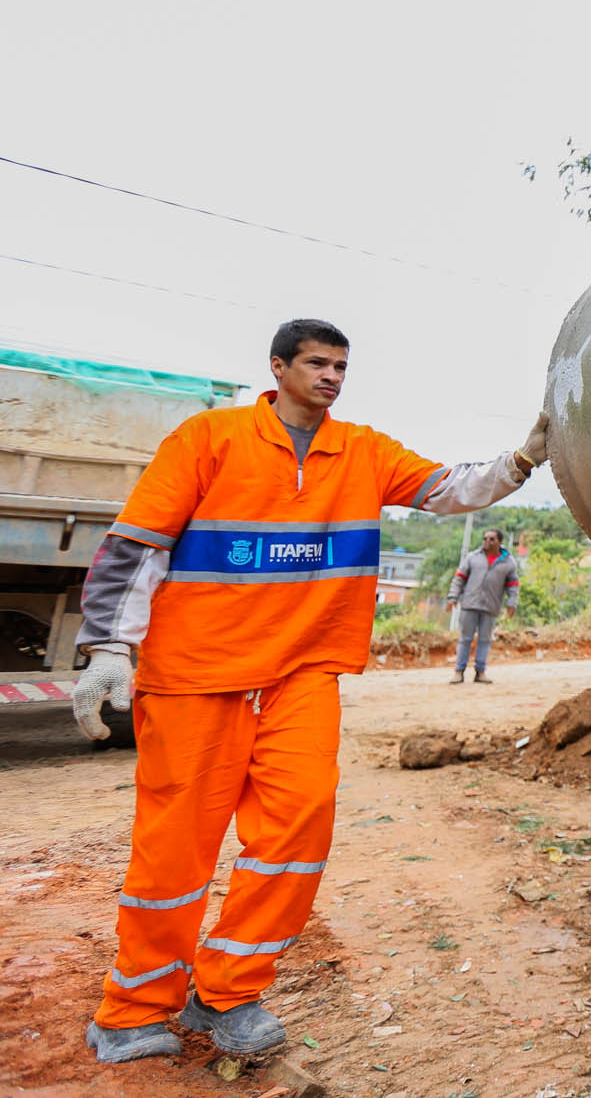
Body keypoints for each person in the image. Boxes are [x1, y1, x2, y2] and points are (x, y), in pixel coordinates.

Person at [67, 319, 549, 1065]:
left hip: (302, 675)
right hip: (197, 676)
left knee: (297, 832)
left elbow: (453, 489)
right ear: (278, 366)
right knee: (176, 849)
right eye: (318, 363)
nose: (331, 376)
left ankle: (228, 990)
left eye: (341, 366)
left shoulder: (362, 451)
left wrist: (524, 457)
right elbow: (138, 545)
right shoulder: (209, 440)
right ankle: (132, 1007)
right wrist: (106, 647)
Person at [446, 528, 518, 683]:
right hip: (469, 605)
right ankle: (459, 671)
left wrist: (512, 602)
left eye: (491, 539)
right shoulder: (472, 557)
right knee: (465, 639)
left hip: (491, 607)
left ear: (499, 542)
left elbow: (512, 585)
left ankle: (480, 672)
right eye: (485, 538)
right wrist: (452, 597)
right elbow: (459, 579)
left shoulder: (509, 562)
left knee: (485, 640)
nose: (487, 541)